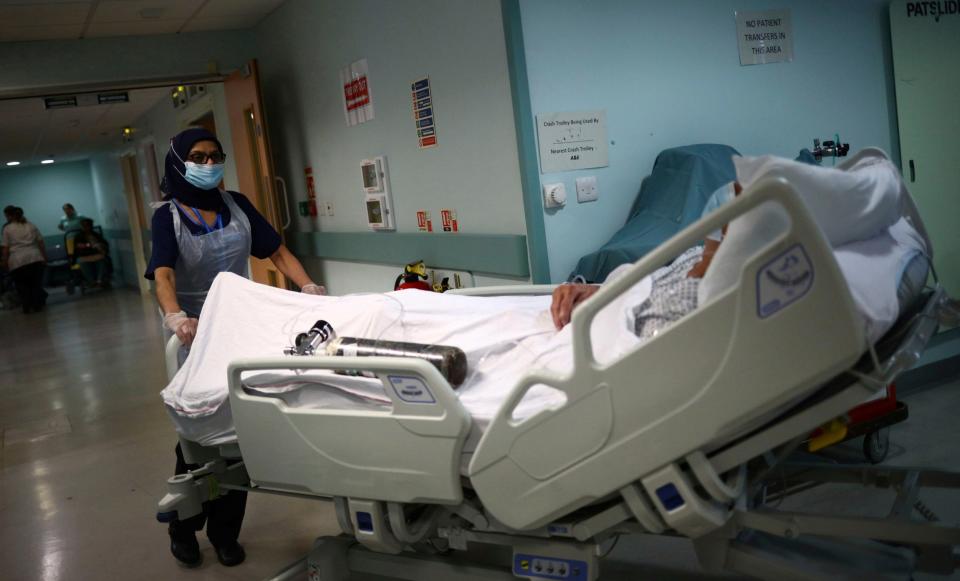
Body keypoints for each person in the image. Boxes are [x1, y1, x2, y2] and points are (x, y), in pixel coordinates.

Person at [145, 127, 325, 569]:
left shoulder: (237, 205)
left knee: (240, 430)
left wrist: (308, 286)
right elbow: (163, 274)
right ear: (178, 163)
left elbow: (277, 252)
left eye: (214, 156)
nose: (208, 164)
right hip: (196, 332)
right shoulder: (166, 217)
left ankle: (226, 533)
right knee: (198, 431)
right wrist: (175, 317)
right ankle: (183, 527)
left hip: (242, 325)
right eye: (198, 157)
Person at [1, 206, 48, 313]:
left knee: (22, 285)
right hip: (35, 257)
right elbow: (41, 243)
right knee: (35, 284)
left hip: (18, 261)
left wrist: (4, 261)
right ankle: (37, 305)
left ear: (10, 216)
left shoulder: (7, 228)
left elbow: (6, 248)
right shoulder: (31, 225)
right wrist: (44, 257)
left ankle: (26, 307)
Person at [73, 218, 111, 288]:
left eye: (87, 226)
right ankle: (91, 281)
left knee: (103, 260)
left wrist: (100, 246)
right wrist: (90, 245)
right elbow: (78, 247)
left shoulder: (96, 235)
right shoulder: (78, 236)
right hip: (84, 256)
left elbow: (104, 243)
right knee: (82, 262)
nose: (86, 228)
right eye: (84, 226)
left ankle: (99, 280)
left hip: (97, 255)